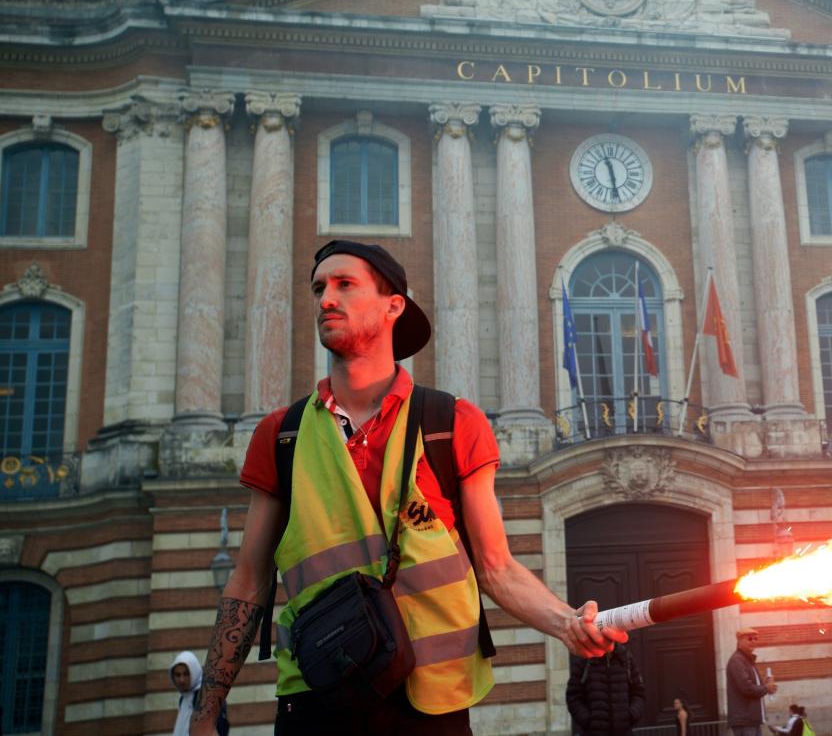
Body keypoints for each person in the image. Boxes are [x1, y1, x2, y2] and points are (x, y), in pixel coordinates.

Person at [190, 241, 624, 735]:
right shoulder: (280, 434)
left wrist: (567, 623)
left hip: (431, 703)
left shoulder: (453, 423)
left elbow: (497, 568)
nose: (325, 299)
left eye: (344, 285)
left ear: (393, 304)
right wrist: (206, 712)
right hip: (316, 698)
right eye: (318, 288)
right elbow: (247, 583)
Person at [566, 642, 646, 735]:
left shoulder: (626, 658)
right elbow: (573, 696)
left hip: (623, 732)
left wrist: (632, 715)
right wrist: (586, 719)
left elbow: (638, 693)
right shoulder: (585, 659)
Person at [728, 627, 779, 736]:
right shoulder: (737, 660)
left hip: (751, 719)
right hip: (745, 720)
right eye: (750, 639)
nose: (754, 641)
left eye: (756, 639)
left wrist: (766, 685)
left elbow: (752, 687)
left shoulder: (747, 660)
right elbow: (747, 688)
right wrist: (766, 688)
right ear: (739, 640)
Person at [171, 650, 222, 735]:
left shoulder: (205, 697)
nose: (181, 680)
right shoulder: (183, 698)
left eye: (186, 674)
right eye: (177, 675)